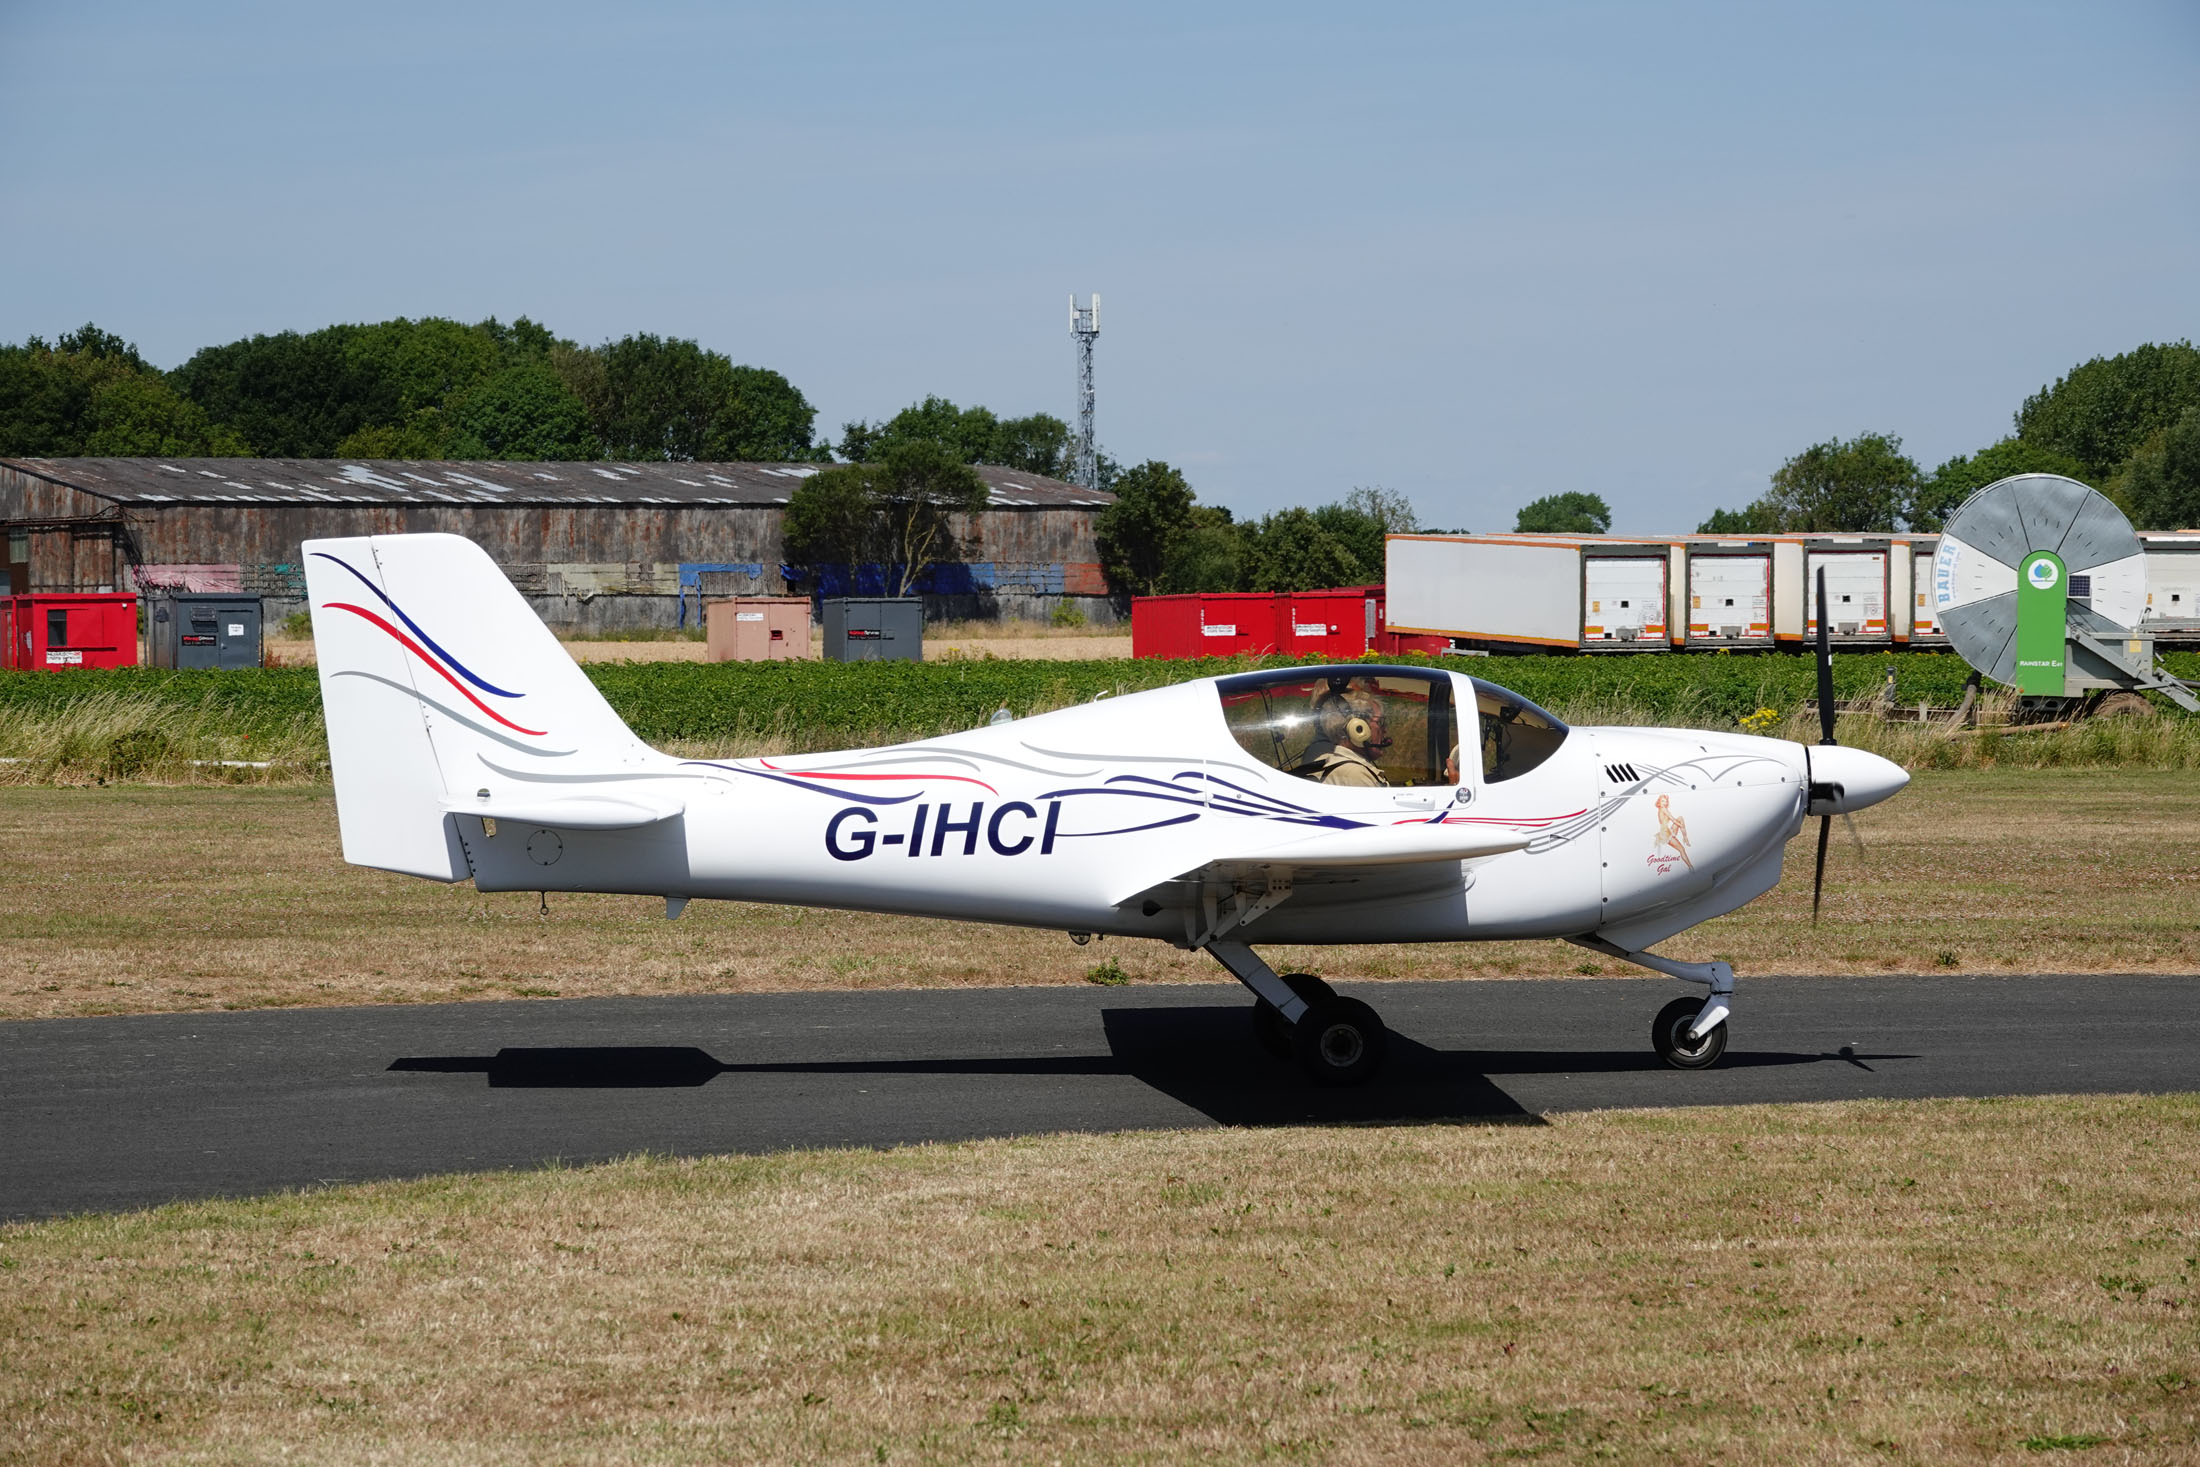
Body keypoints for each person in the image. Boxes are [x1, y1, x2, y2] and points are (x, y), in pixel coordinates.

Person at [1295, 689, 1390, 786]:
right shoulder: (1357, 776)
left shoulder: (1334, 764)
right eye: (1380, 722)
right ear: (1358, 728)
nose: (1385, 730)